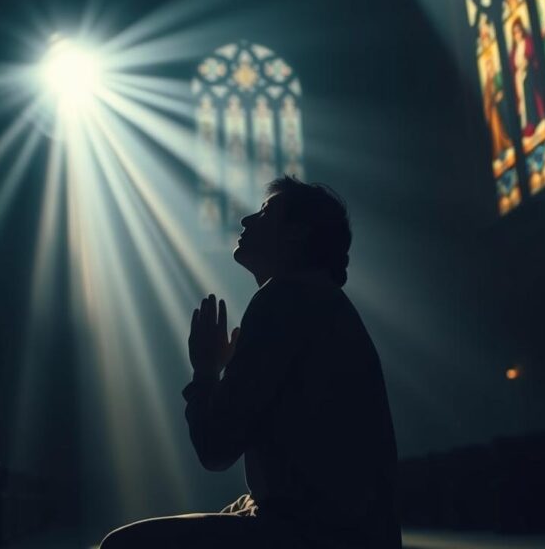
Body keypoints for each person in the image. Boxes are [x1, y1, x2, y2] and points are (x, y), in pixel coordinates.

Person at [101, 176, 400, 549]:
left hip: (320, 537)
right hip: (354, 531)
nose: (246, 221)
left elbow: (215, 449)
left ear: (297, 234)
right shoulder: (323, 301)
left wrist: (206, 371)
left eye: (265, 212)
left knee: (123, 546)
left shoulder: (285, 299)